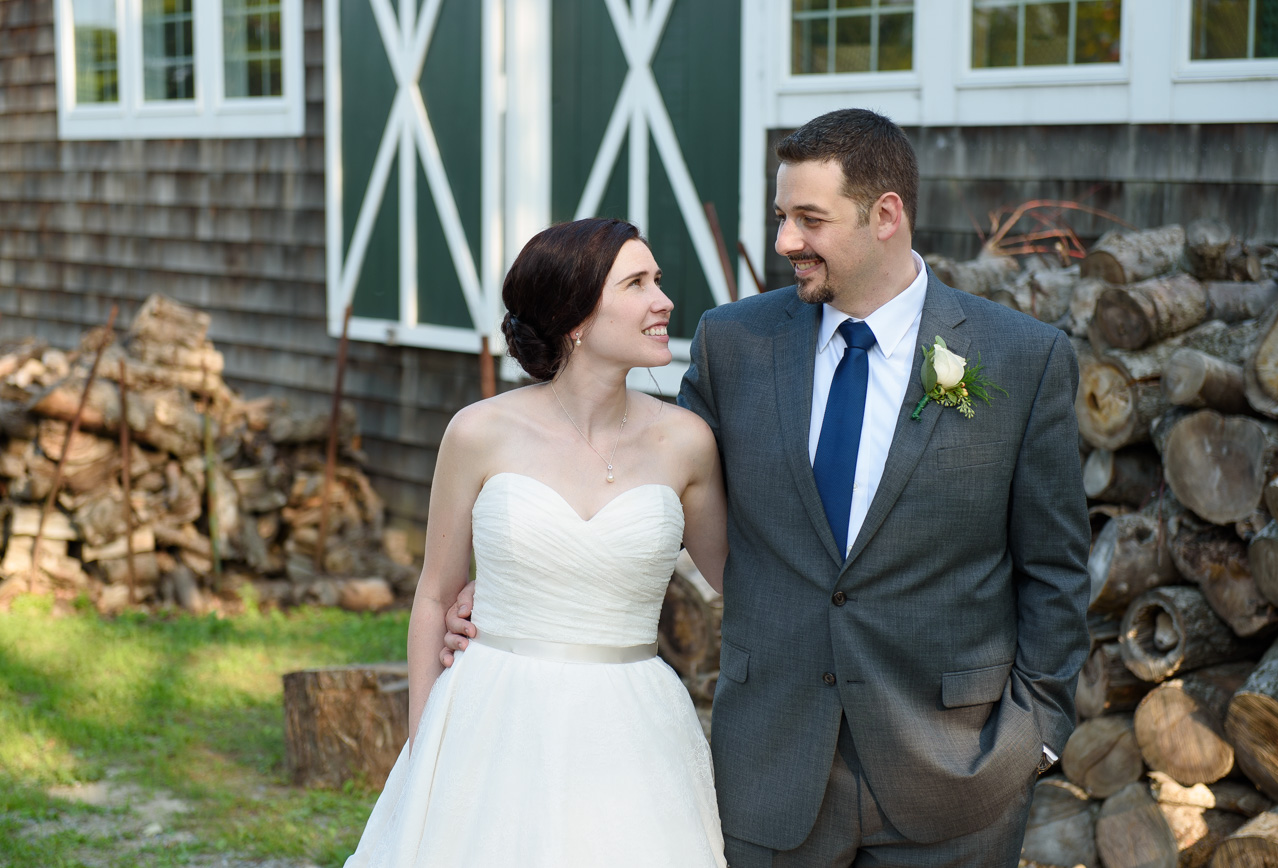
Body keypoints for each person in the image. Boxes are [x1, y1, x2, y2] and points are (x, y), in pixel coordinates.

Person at [447, 108, 1091, 867]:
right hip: (771, 773)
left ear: (885, 215)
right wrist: (525, 572)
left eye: (808, 220)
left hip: (956, 776)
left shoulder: (1023, 359)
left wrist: (1036, 737)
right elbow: (643, 477)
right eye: (782, 215)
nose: (786, 241)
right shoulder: (735, 343)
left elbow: (1055, 568)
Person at [346, 217, 729, 868]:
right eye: (637, 283)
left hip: (634, 727)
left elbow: (744, 584)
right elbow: (435, 596)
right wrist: (425, 746)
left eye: (657, 281)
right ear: (575, 317)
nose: (664, 301)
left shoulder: (687, 442)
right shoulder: (478, 433)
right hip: (491, 717)